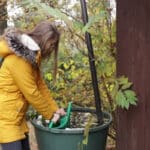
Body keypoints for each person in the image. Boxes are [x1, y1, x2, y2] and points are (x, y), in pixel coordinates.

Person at [0, 21, 66, 150]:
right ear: (44, 39)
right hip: (6, 119)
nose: (52, 48)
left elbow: (41, 86)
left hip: (16, 117)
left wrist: (55, 109)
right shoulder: (20, 60)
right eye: (52, 44)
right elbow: (32, 93)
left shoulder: (31, 57)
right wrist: (51, 116)